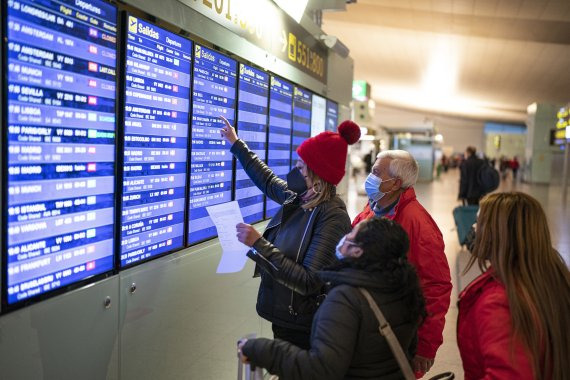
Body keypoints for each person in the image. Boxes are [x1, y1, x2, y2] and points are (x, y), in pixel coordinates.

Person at [220, 116, 360, 349]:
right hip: (286, 316)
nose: (296, 169)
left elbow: (308, 281)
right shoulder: (298, 198)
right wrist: (237, 144)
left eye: (302, 165)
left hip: (305, 326)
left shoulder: (332, 217)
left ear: (317, 175)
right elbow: (266, 179)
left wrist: (259, 244)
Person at [238, 217, 426, 379]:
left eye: (351, 235)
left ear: (357, 251)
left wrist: (260, 349)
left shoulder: (345, 298)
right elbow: (407, 351)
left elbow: (321, 370)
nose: (345, 237)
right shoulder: (404, 288)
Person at [352, 150, 451, 376]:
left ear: (395, 183)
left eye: (376, 172)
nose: (370, 176)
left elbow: (436, 287)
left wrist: (426, 346)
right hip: (366, 327)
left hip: (397, 333)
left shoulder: (419, 225)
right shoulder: (373, 208)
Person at [458, 192, 570, 379]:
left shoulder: (498, 302)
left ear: (498, 233)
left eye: (479, 222)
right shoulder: (551, 278)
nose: (474, 228)